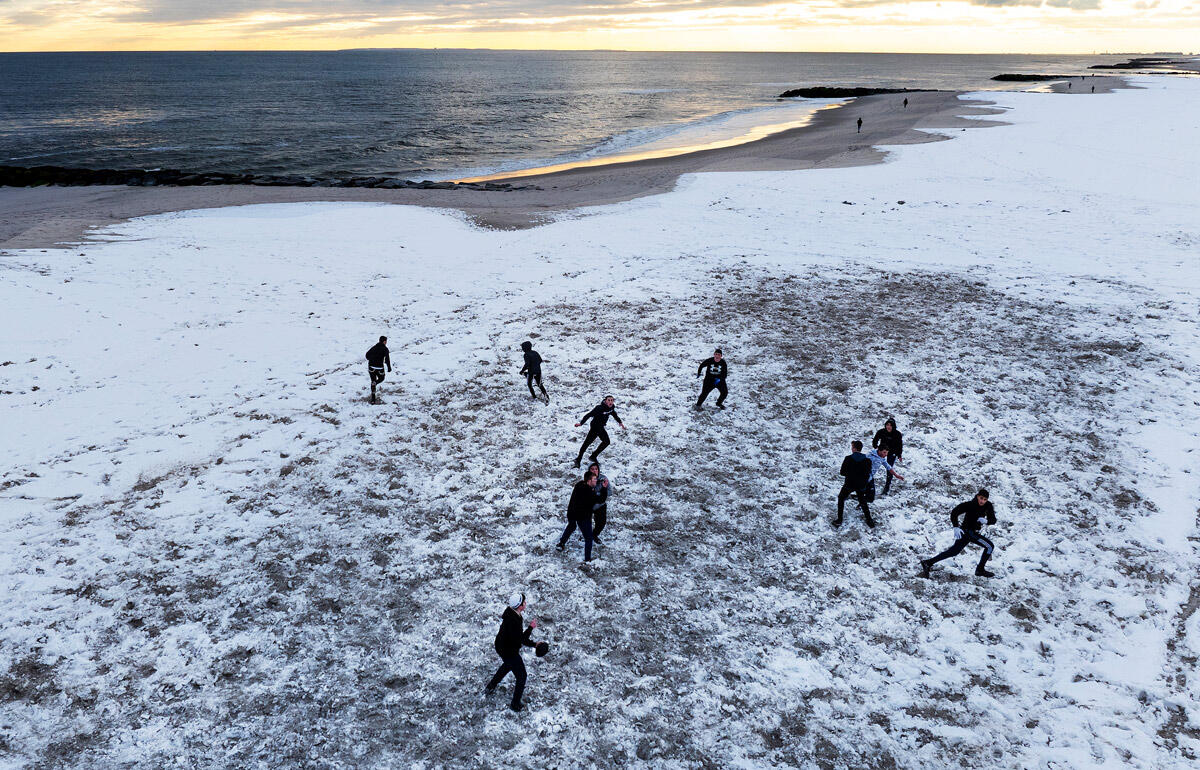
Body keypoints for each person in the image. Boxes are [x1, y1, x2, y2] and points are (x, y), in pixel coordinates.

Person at [920, 490, 998, 578]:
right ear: (977, 496)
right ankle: (980, 570)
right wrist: (956, 527)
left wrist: (987, 521)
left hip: (969, 533)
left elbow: (993, 520)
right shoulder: (970, 505)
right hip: (968, 531)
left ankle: (928, 563)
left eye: (985, 499)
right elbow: (954, 512)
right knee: (990, 546)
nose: (982, 501)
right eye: (981, 498)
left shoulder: (988, 505)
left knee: (954, 551)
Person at [484, 591, 539, 712]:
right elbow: (521, 639)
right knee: (522, 676)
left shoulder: (512, 613)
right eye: (524, 601)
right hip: (508, 650)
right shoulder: (513, 621)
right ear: (520, 606)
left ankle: (490, 687)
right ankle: (515, 704)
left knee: (508, 665)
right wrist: (531, 631)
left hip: (502, 646)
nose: (526, 603)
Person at [557, 470, 598, 561]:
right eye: (594, 479)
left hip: (572, 512)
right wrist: (602, 489)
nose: (596, 480)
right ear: (589, 481)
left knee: (571, 526)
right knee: (588, 538)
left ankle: (561, 543)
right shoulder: (589, 492)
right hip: (583, 517)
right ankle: (587, 559)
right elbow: (597, 500)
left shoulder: (579, 485)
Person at [574, 395, 624, 468]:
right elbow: (588, 415)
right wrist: (581, 423)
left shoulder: (611, 408)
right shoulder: (599, 408)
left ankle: (593, 456)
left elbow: (614, 414)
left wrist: (620, 422)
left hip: (601, 427)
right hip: (595, 427)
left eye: (612, 400)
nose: (610, 402)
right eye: (609, 400)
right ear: (605, 401)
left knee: (606, 442)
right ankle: (578, 460)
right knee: (587, 443)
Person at [834, 440, 875, 528]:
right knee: (863, 501)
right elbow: (868, 474)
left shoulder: (848, 458)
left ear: (854, 448)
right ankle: (869, 520)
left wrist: (851, 474)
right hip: (860, 485)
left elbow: (842, 472)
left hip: (849, 483)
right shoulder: (868, 461)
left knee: (841, 498)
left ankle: (839, 520)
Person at [871, 418, 904, 494]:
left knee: (889, 468)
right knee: (873, 465)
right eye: (887, 425)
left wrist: (899, 455)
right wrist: (876, 446)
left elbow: (900, 445)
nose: (888, 427)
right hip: (882, 451)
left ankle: (887, 486)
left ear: (893, 426)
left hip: (892, 453)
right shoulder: (882, 431)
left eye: (890, 425)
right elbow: (875, 439)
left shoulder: (897, 434)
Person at [587, 461, 611, 542]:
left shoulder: (604, 479)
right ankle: (587, 535)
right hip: (589, 505)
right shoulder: (587, 479)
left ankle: (594, 535)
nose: (594, 471)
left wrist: (599, 493)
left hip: (600, 505)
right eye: (592, 469)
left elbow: (610, 492)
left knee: (601, 523)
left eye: (596, 469)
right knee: (586, 523)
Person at [365, 335, 391, 404]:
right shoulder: (385, 349)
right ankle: (375, 383)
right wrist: (389, 367)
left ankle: (373, 399)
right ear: (384, 341)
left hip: (371, 367)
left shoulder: (374, 347)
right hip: (379, 368)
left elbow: (367, 355)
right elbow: (387, 360)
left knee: (372, 381)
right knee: (382, 378)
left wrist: (372, 359)